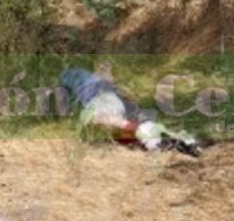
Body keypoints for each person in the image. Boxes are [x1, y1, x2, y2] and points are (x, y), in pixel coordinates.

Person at [59, 65, 200, 157]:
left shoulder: (71, 78)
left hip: (103, 99)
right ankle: (173, 137)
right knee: (134, 120)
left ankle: (148, 134)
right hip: (115, 100)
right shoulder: (95, 83)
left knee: (101, 119)